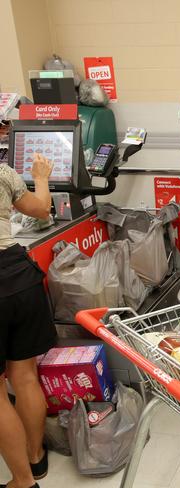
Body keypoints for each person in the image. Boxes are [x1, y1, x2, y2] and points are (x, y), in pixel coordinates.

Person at [0, 153, 57, 488]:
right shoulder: (4, 173)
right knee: (24, 376)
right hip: (19, 274)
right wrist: (42, 176)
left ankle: (22, 480)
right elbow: (41, 209)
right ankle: (35, 459)